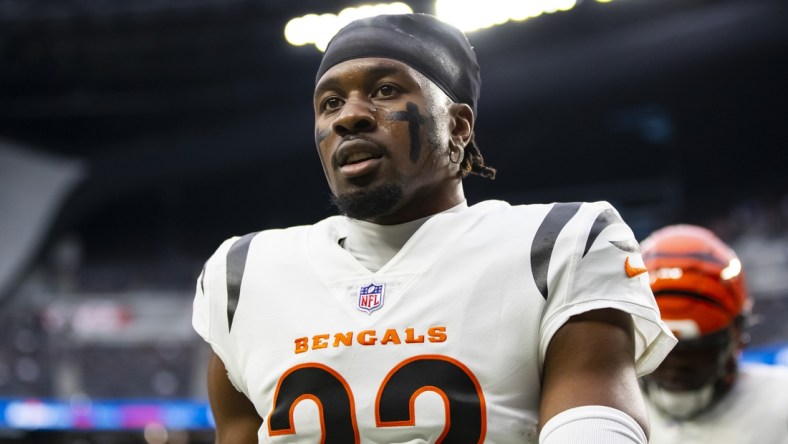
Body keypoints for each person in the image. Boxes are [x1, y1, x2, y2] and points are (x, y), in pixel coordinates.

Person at [192, 13, 675, 443]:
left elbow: (593, 422)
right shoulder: (243, 273)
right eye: (331, 102)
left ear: (459, 127)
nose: (350, 116)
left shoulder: (561, 241)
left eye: (385, 90)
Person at [640, 224, 788, 443]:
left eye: (696, 348)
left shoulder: (781, 404)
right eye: (659, 346)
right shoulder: (602, 409)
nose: (676, 364)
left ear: (736, 335)